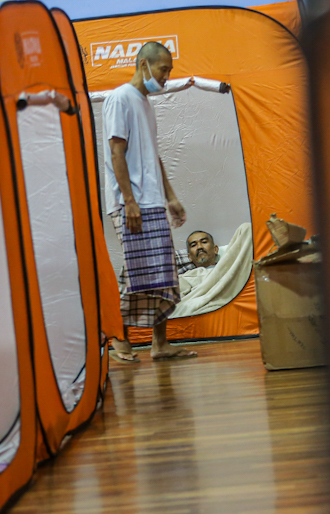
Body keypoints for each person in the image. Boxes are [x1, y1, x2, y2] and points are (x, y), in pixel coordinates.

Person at [104, 41, 197, 363]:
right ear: (144, 64)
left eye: (169, 71)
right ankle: (119, 340)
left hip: (153, 201)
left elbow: (152, 157)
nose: (167, 77)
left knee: (163, 274)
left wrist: (170, 197)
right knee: (136, 273)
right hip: (132, 203)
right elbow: (117, 151)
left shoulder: (145, 103)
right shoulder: (119, 98)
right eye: (164, 70)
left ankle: (159, 345)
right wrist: (129, 200)